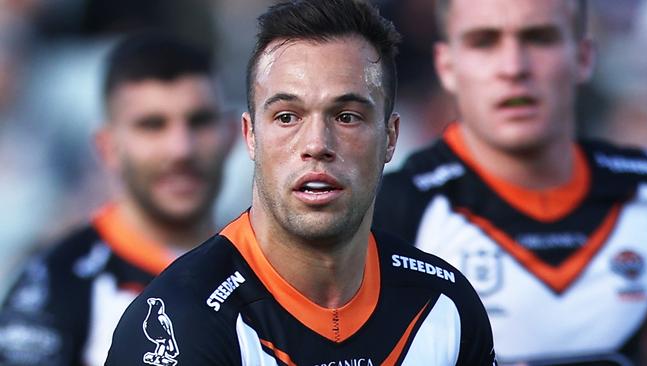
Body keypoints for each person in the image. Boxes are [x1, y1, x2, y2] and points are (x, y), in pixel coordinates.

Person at [105, 1, 497, 365]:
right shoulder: (181, 323)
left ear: (390, 137)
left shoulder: (445, 305)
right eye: (287, 117)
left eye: (346, 116)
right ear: (250, 136)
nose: (316, 145)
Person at [374, 0, 647, 364]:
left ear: (584, 57)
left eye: (539, 38)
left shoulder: (642, 193)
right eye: (484, 41)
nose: (513, 67)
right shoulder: (389, 212)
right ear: (446, 65)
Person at [0, 32, 236, 366]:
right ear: (108, 147)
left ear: (234, 134)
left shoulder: (277, 267)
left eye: (200, 122)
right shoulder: (56, 282)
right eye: (152, 125)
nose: (180, 149)